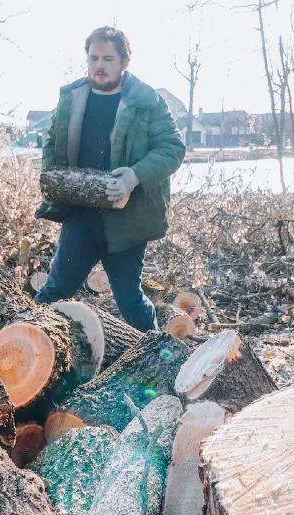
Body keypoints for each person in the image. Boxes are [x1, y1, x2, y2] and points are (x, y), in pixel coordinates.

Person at [34, 27, 185, 331]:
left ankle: (158, 356)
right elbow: (51, 139)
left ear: (124, 62)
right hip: (80, 216)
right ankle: (20, 351)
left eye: (108, 58)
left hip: (128, 221)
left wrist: (134, 176)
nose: (99, 65)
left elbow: (173, 147)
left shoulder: (147, 101)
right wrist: (52, 178)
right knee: (53, 292)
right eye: (93, 58)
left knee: (129, 299)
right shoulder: (71, 96)